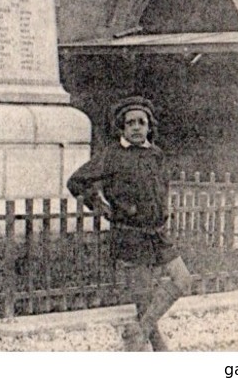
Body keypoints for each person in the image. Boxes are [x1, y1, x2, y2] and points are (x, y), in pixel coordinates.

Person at [67, 96, 193, 351]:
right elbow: (76, 181)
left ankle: (137, 334)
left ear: (149, 126)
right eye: (130, 123)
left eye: (141, 122)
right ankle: (157, 350)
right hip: (130, 236)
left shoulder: (156, 155)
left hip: (158, 234)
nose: (136, 127)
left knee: (183, 280)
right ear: (122, 128)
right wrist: (100, 206)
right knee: (145, 300)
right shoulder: (112, 155)